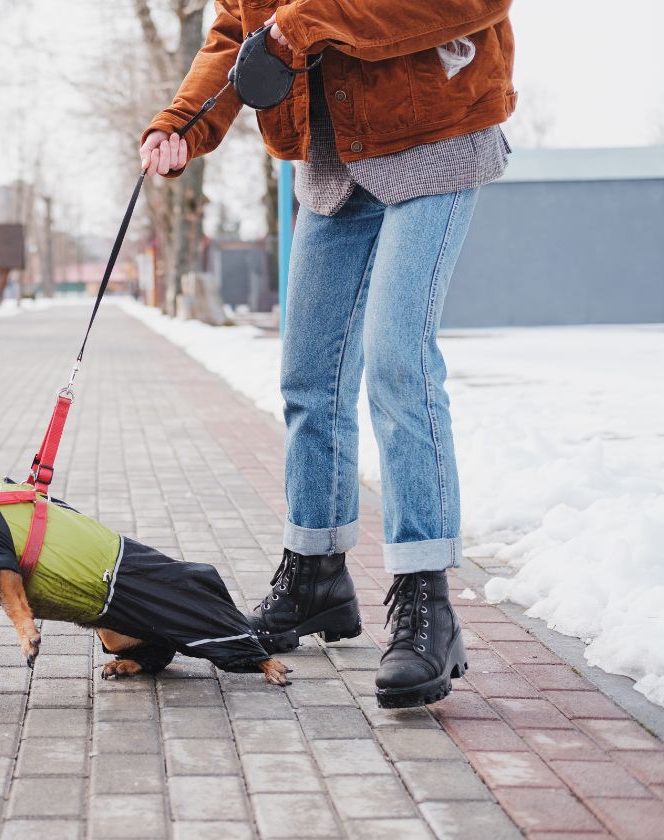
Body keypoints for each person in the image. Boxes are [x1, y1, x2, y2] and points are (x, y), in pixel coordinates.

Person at [140, 0, 515, 708]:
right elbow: (236, 29)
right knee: (309, 376)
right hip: (332, 155)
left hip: (433, 131)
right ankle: (315, 574)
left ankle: (424, 597)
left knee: (398, 358)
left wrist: (302, 25)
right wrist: (185, 120)